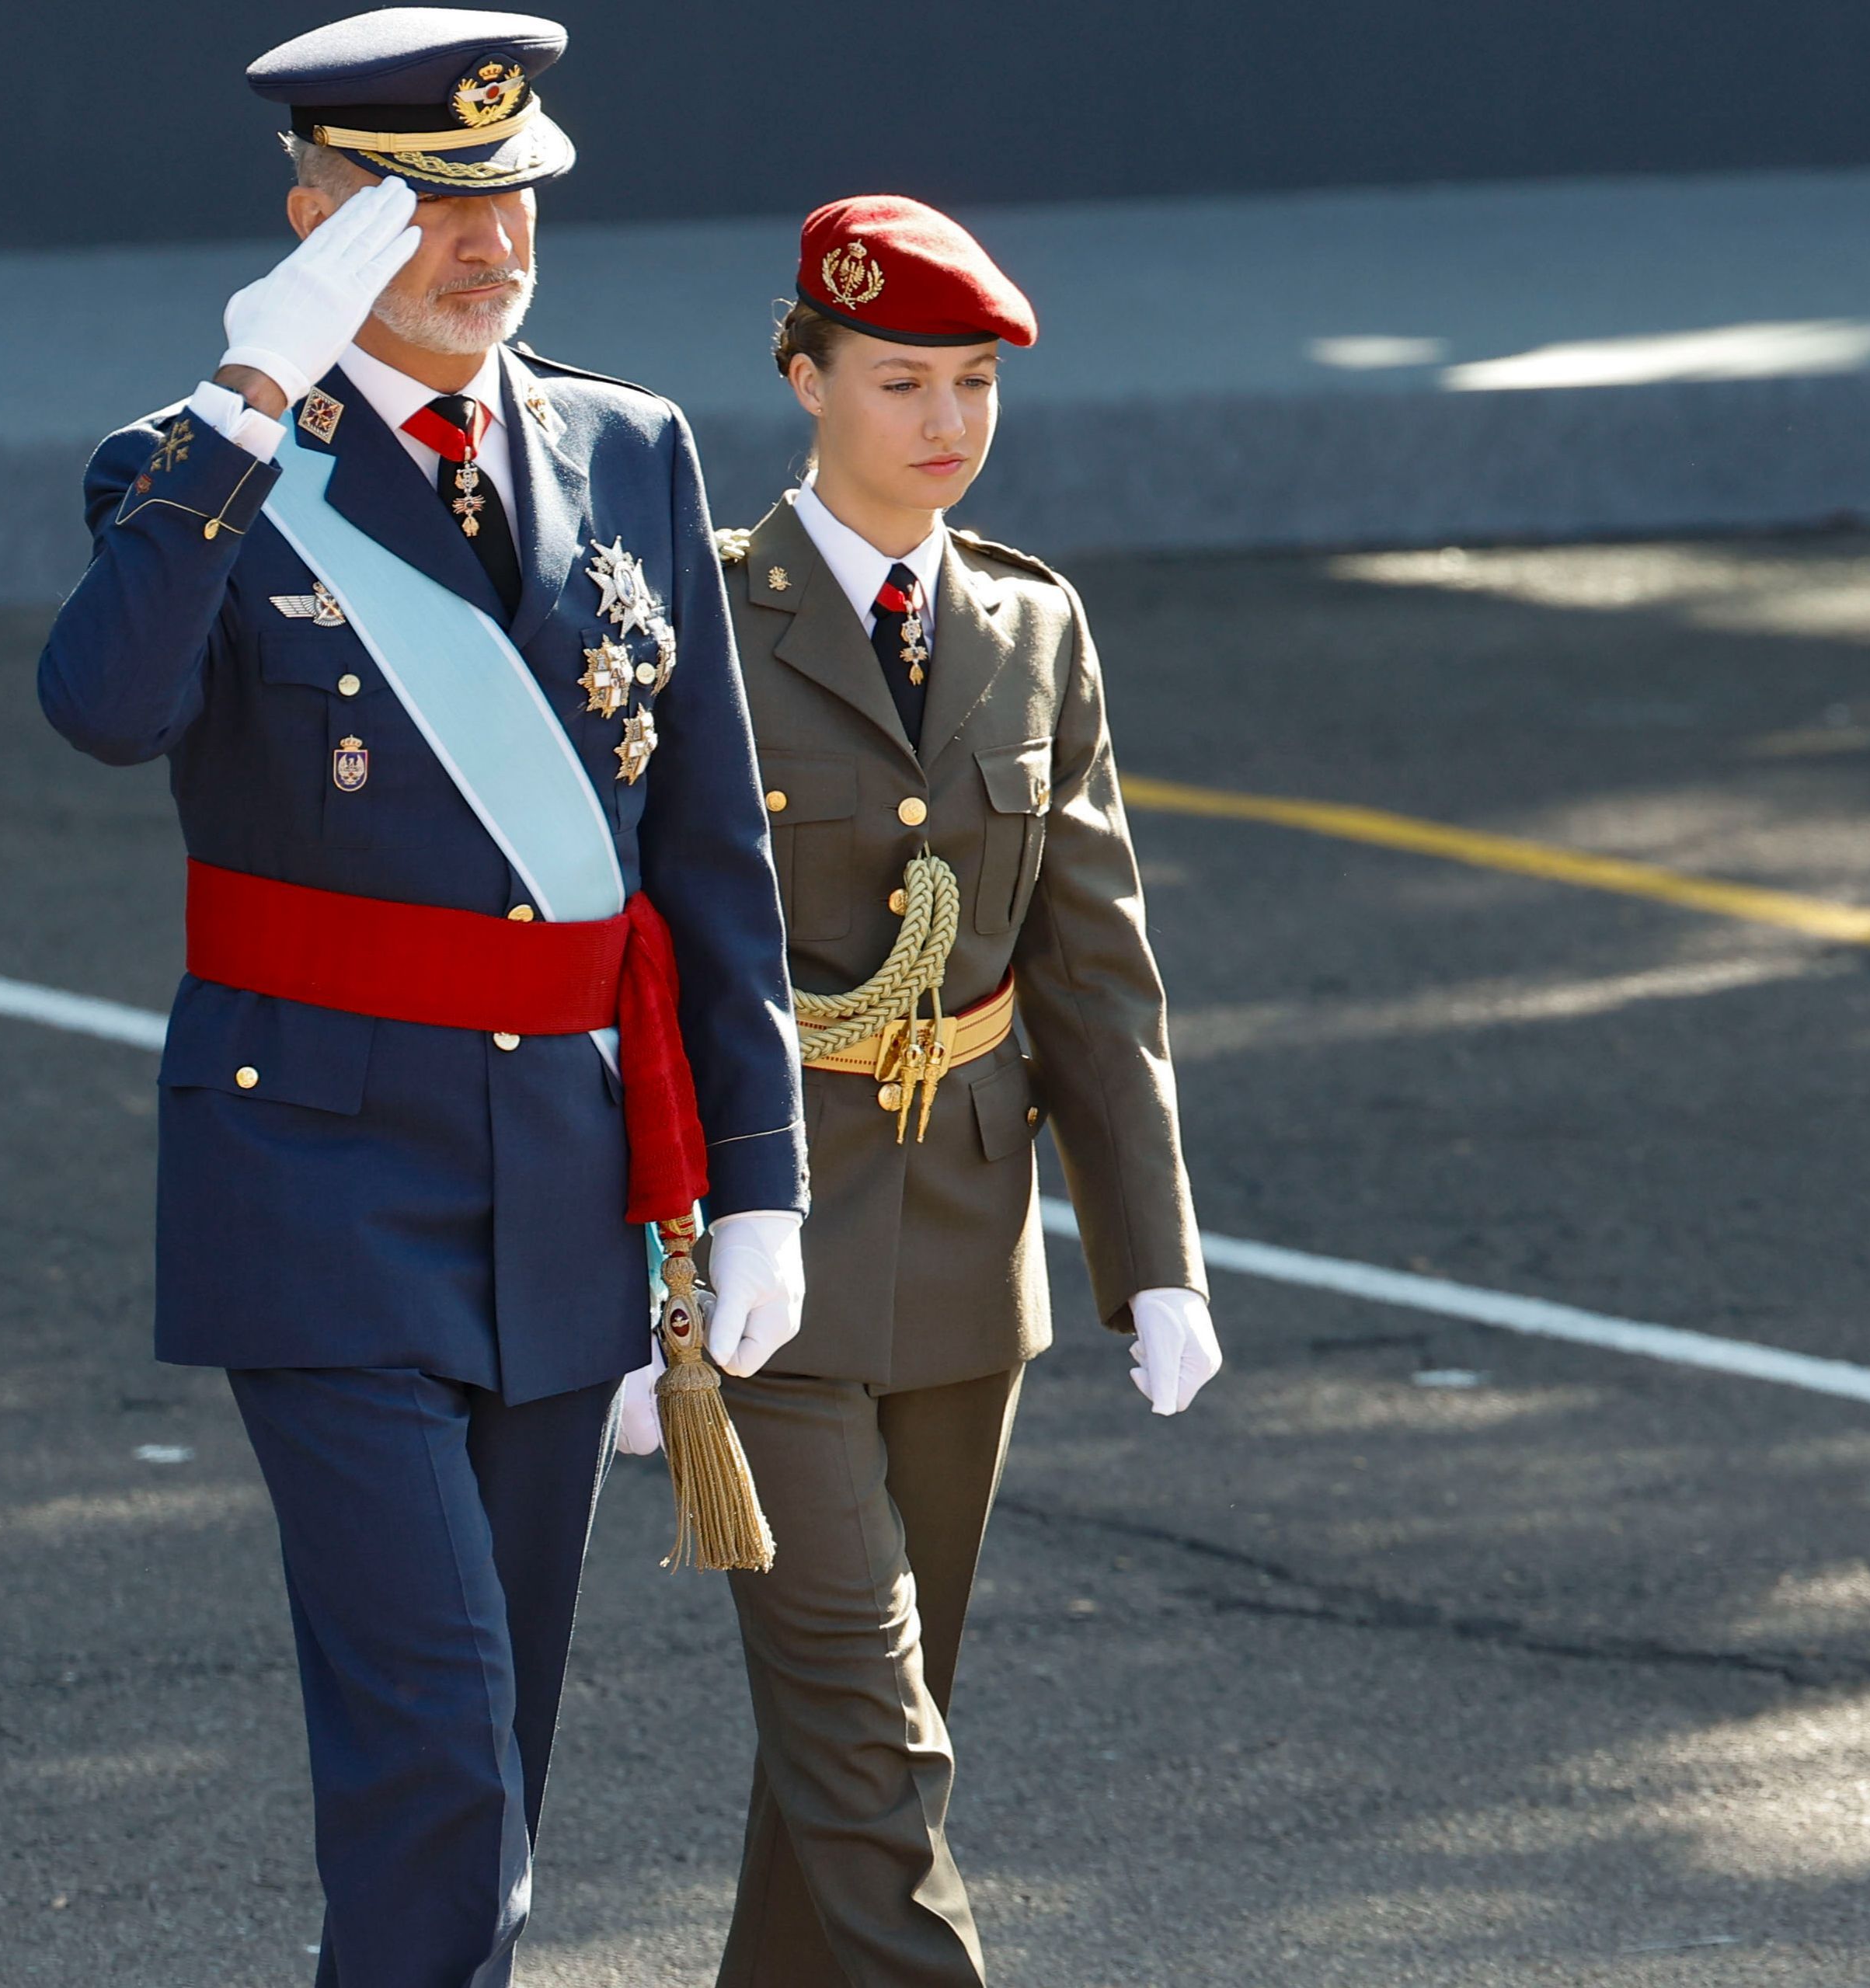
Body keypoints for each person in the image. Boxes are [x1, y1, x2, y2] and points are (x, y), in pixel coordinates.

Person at [33, 12, 813, 1984]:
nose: (490, 245)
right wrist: (244, 400)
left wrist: (758, 1174)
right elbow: (104, 707)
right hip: (313, 1175)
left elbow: (704, 851)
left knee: (499, 1761)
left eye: (511, 195)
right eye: (427, 206)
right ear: (314, 224)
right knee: (442, 1751)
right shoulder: (190, 466)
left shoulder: (627, 448)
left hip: (557, 1179)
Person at [623, 195, 1222, 1987]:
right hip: (758, 1240)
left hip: (968, 1246)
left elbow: (1094, 966)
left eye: (972, 381)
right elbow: (628, 962)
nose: (946, 419)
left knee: (855, 1748)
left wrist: (1156, 1258)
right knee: (876, 1738)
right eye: (900, 379)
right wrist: (627, 1262)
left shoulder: (1033, 624)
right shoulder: (700, 617)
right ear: (802, 379)